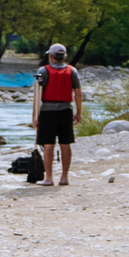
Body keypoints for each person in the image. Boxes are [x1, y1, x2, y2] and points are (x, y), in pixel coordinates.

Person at [33, 42, 84, 186]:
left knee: (48, 145)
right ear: (64, 57)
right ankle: (64, 177)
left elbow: (37, 95)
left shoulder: (43, 71)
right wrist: (79, 112)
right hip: (66, 110)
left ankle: (49, 178)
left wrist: (35, 117)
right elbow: (78, 93)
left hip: (47, 111)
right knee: (65, 144)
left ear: (51, 56)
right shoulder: (72, 71)